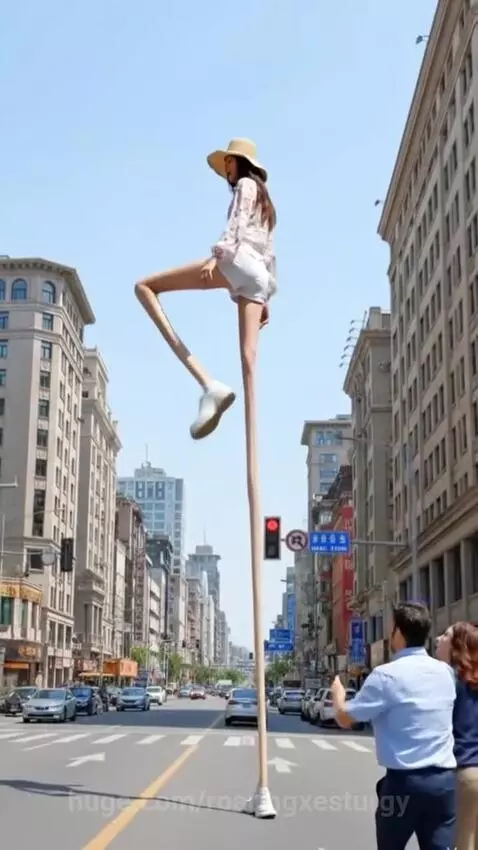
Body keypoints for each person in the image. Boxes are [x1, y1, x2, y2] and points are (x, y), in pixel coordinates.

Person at [134, 138, 277, 440]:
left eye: (230, 161)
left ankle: (207, 383)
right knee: (249, 364)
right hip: (258, 278)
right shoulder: (267, 204)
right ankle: (254, 481)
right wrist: (265, 298)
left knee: (144, 287)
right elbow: (269, 253)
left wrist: (217, 255)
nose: (226, 167)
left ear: (242, 163)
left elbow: (236, 224)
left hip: (237, 261)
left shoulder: (246, 188)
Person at [331, 602, 456, 850]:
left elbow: (345, 718)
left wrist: (337, 694)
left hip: (403, 784)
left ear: (397, 633)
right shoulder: (446, 673)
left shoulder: (385, 676)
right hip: (444, 783)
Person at [436, 621, 478, 849]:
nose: (438, 639)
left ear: (456, 647)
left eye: (445, 635)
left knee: (463, 843)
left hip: (465, 772)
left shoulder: (450, 680)